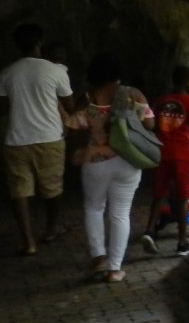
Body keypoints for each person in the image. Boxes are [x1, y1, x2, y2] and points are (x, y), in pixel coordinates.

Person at [65, 53, 153, 283]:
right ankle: (115, 269)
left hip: (95, 161)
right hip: (128, 160)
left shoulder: (87, 97)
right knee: (120, 213)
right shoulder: (133, 94)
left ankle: (99, 258)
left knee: (94, 208)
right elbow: (151, 123)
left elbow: (73, 127)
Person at [0, 23, 75, 255]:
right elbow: (70, 104)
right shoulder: (55, 71)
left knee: (19, 191)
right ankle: (51, 230)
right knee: (53, 188)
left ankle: (29, 242)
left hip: (16, 139)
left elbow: (2, 107)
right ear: (40, 43)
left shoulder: (7, 72)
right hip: (49, 137)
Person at [139, 65, 189, 255]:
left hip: (161, 152)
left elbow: (151, 125)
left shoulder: (161, 101)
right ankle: (182, 242)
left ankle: (149, 231)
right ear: (188, 81)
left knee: (159, 194)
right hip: (181, 154)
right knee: (181, 197)